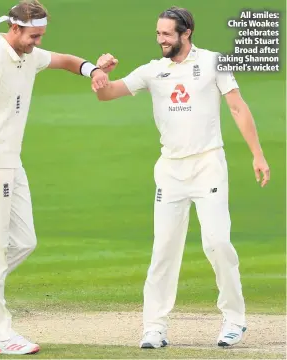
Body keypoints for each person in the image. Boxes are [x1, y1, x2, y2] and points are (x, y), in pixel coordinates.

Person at [0, 0, 110, 355]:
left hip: (11, 161)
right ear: (14, 29)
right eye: (33, 36)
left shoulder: (30, 54)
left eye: (41, 36)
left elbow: (66, 61)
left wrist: (93, 70)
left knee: (24, 241)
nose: (38, 43)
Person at [93, 6, 270, 349]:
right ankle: (154, 327)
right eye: (158, 33)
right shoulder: (152, 70)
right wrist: (98, 72)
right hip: (170, 171)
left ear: (186, 32)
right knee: (164, 250)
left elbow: (237, 106)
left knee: (217, 243)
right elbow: (107, 93)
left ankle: (234, 320)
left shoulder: (215, 62)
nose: (160, 39)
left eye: (166, 34)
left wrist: (257, 154)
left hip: (208, 165)